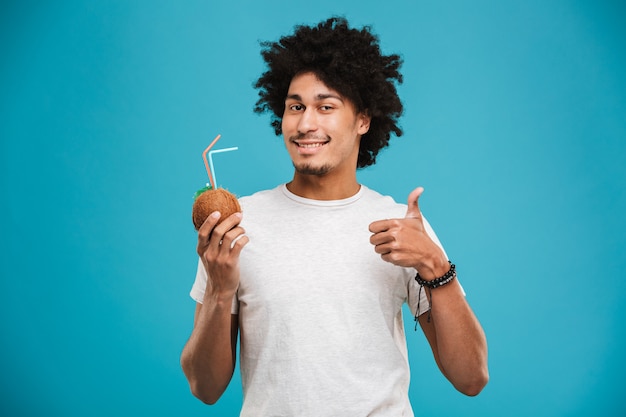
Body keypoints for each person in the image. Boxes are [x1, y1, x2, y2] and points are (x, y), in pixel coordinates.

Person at [180, 17, 488, 416]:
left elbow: (471, 377)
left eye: (326, 107)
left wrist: (433, 264)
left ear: (363, 119)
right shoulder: (238, 225)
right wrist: (220, 289)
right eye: (295, 107)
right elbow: (204, 388)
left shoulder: (400, 225)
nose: (306, 123)